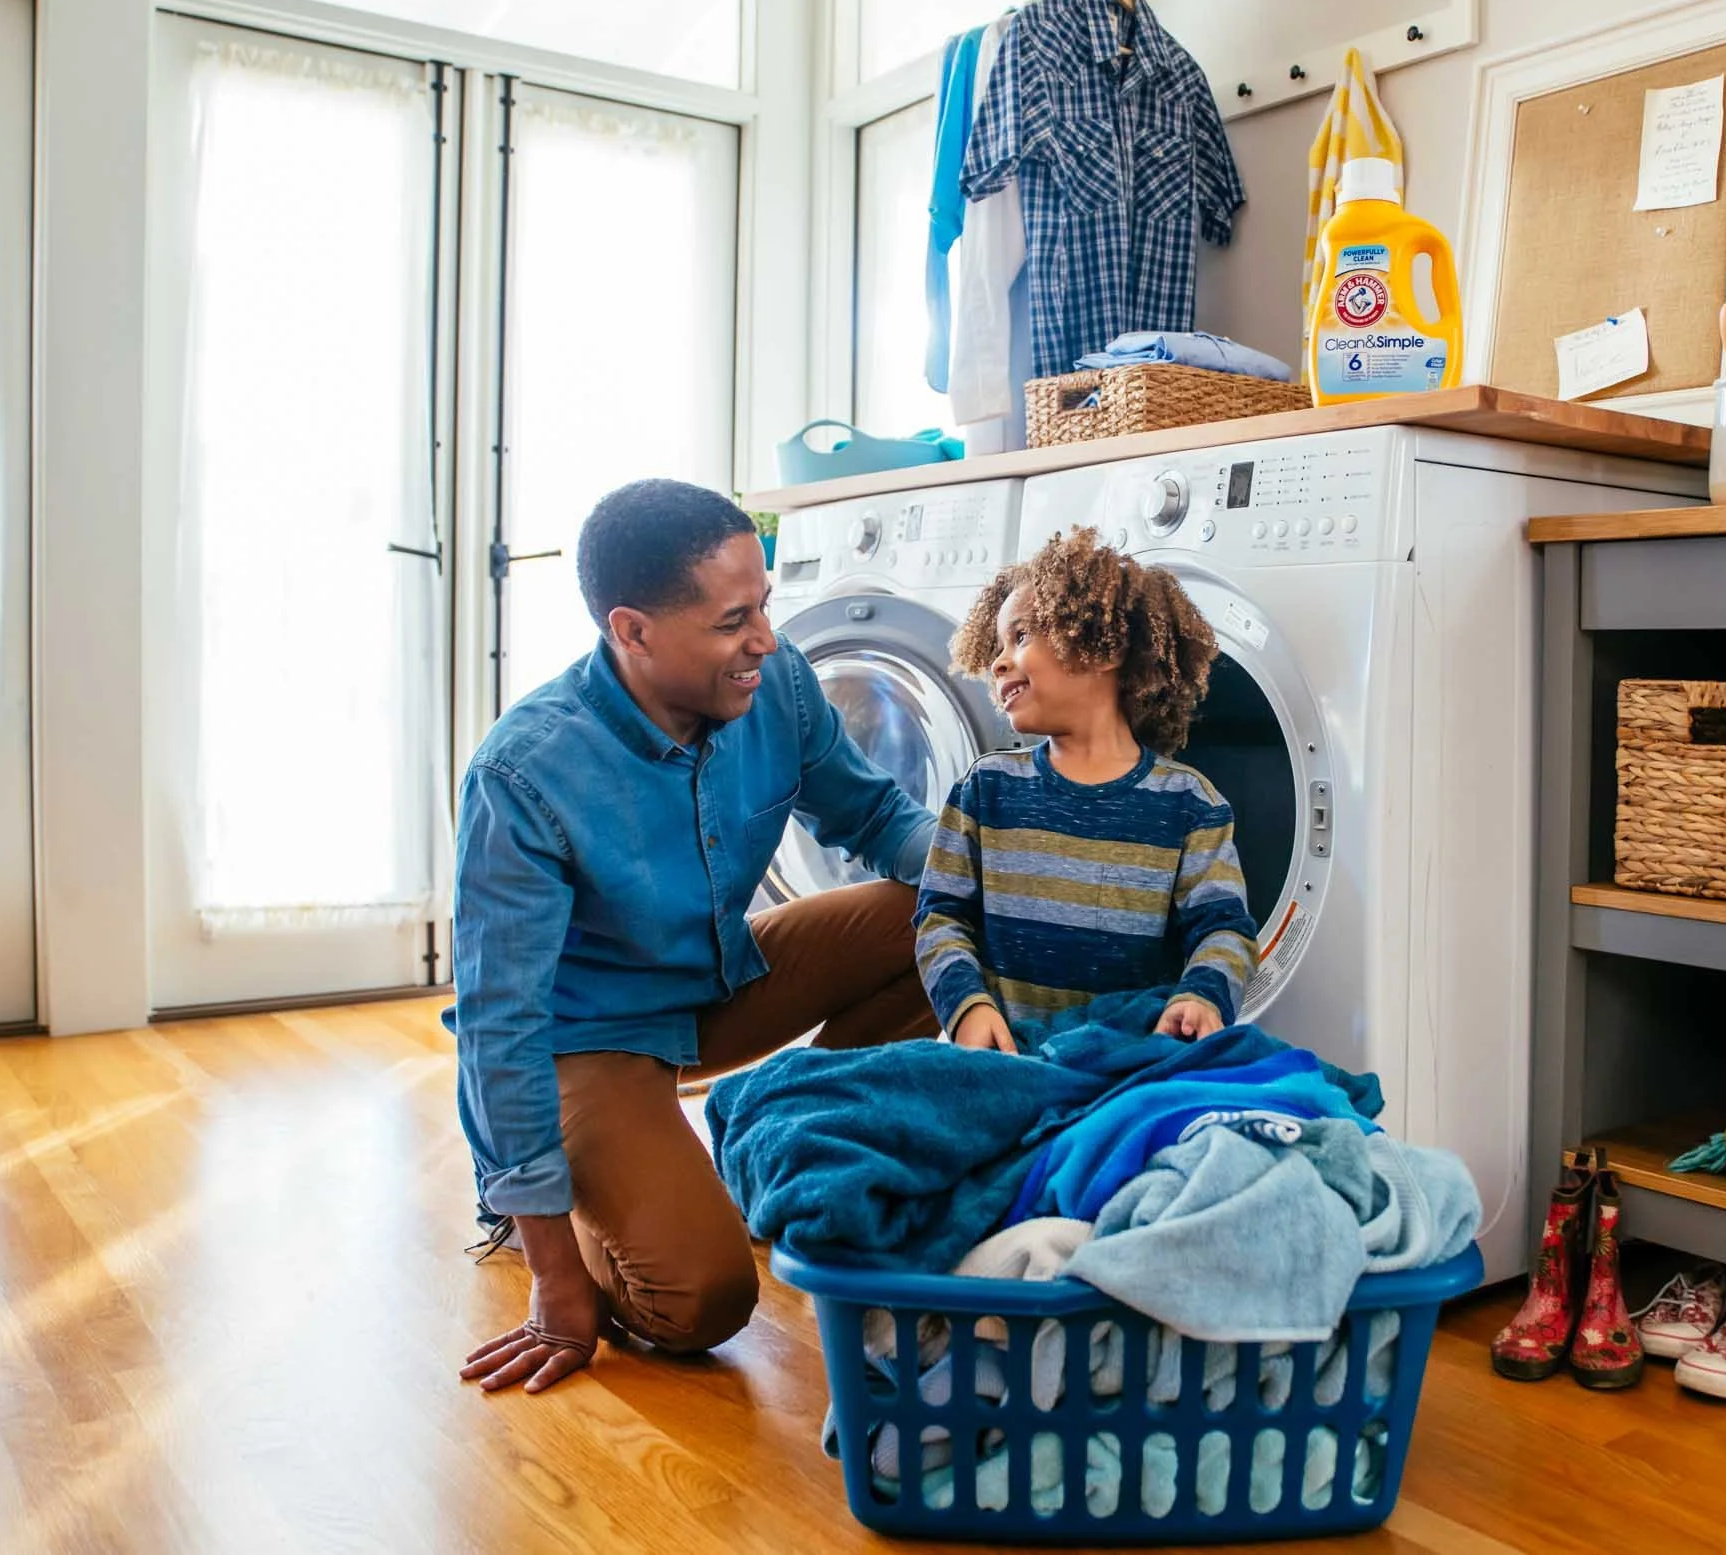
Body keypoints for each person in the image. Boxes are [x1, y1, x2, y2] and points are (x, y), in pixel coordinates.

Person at [453, 479, 938, 1396]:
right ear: (632, 631)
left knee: (941, 913)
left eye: (764, 605)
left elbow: (872, 810)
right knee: (702, 1299)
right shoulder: (523, 773)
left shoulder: (778, 679)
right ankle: (540, 1212)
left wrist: (1000, 867)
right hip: (586, 1042)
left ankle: (787, 1143)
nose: (764, 638)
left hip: (716, 981)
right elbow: (498, 1031)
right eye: (732, 621)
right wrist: (558, 1279)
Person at [915, 526, 1259, 1054]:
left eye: (1021, 636)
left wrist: (1201, 997)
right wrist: (968, 1008)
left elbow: (1223, 929)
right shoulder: (986, 790)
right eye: (997, 645)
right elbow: (941, 916)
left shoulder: (1189, 805)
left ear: (1102, 645)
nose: (998, 662)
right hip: (1007, 1059)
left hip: (1129, 1060)